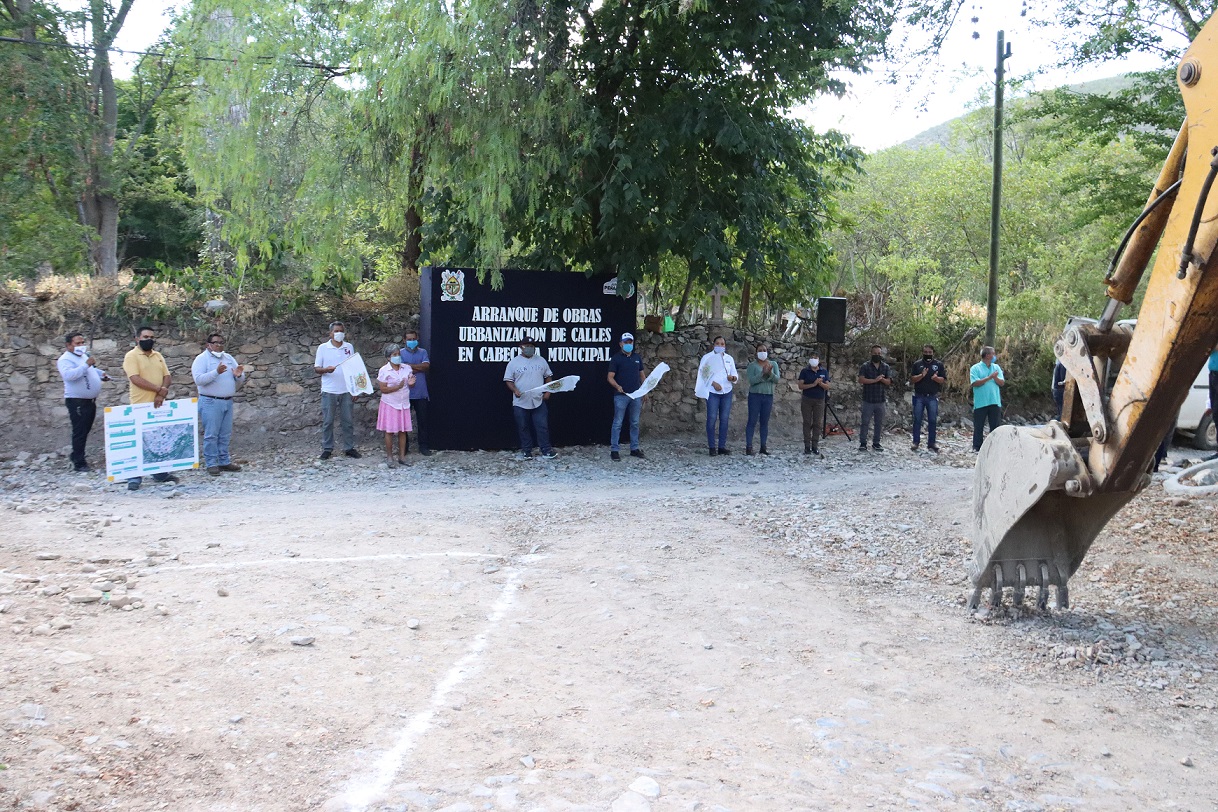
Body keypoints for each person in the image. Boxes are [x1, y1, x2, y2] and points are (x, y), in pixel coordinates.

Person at [122, 326, 179, 490]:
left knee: (158, 440)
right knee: (139, 442)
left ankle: (160, 474)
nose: (149, 339)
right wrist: (158, 390)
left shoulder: (158, 355)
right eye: (145, 336)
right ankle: (134, 477)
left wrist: (162, 394)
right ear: (137, 339)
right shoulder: (131, 356)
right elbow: (135, 378)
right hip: (140, 405)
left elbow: (167, 376)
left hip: (158, 405)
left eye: (152, 337)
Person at [191, 333, 247, 476]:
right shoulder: (202, 359)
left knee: (225, 434)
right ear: (208, 345)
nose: (219, 345)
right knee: (211, 434)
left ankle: (224, 461)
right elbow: (199, 380)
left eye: (221, 342)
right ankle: (211, 463)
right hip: (210, 400)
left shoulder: (228, 358)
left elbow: (240, 377)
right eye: (215, 342)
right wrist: (216, 372)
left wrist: (239, 375)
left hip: (227, 400)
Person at [57, 331, 110, 472]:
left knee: (85, 430)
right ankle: (79, 463)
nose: (81, 346)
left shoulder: (82, 357)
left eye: (82, 342)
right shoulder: (65, 360)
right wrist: (86, 365)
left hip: (89, 401)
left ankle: (76, 455)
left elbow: (91, 370)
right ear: (68, 345)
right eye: (77, 343)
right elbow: (69, 375)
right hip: (77, 401)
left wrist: (101, 375)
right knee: (79, 431)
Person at [314, 321, 361, 460]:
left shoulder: (349, 347)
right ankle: (327, 448)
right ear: (330, 333)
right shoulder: (323, 348)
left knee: (348, 421)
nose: (339, 333)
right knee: (328, 421)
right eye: (336, 331)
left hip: (346, 390)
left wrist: (355, 390)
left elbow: (353, 368)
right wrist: (326, 369)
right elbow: (317, 369)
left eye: (341, 330)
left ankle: (349, 447)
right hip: (329, 390)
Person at [503, 338, 557, 459]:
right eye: (527, 345)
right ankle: (526, 450)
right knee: (523, 426)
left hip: (538, 400)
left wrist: (548, 391)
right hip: (521, 401)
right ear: (521, 347)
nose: (529, 348)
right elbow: (508, 380)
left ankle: (546, 450)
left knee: (542, 426)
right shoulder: (514, 363)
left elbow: (548, 376)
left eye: (532, 346)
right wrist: (515, 390)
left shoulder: (541, 360)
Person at [695, 336, 739, 456]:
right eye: (718, 343)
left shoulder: (729, 358)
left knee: (724, 419)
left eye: (722, 344)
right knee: (712, 418)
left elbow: (735, 374)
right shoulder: (707, 358)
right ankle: (711, 447)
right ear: (713, 345)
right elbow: (702, 374)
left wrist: (733, 378)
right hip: (712, 392)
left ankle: (722, 446)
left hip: (727, 392)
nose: (720, 346)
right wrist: (713, 383)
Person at [607, 332, 646, 461]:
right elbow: (610, 377)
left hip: (636, 395)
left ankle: (634, 448)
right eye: (626, 342)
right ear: (620, 344)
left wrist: (645, 391)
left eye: (630, 342)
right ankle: (614, 450)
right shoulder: (616, 358)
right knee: (617, 423)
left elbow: (642, 375)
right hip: (621, 395)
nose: (628, 345)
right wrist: (617, 386)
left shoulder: (637, 358)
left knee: (635, 422)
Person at [377, 344, 415, 467]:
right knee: (390, 431)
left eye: (398, 354)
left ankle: (402, 457)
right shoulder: (384, 370)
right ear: (388, 358)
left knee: (402, 430)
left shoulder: (407, 368)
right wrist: (397, 387)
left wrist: (411, 383)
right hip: (390, 403)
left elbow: (410, 383)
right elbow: (383, 389)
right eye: (394, 355)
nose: (397, 357)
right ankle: (389, 457)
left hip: (403, 403)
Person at [399, 329, 433, 456]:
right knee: (404, 422)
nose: (412, 341)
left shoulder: (423, 352)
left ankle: (423, 446)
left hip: (421, 392)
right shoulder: (400, 353)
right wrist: (416, 367)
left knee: (423, 421)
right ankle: (405, 447)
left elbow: (426, 366)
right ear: (404, 340)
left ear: (417, 339)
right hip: (405, 393)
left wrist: (408, 366)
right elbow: (400, 369)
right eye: (409, 339)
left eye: (414, 339)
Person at [745, 342, 780, 455]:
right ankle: (749, 446)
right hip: (755, 396)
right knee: (752, 420)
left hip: (768, 396)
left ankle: (763, 447)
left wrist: (769, 374)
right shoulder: (752, 366)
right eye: (760, 350)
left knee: (764, 422)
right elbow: (752, 381)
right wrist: (762, 375)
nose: (762, 352)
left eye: (764, 350)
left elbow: (776, 379)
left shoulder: (773, 364)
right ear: (756, 353)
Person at [910, 344, 945, 453]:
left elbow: (943, 379)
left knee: (933, 420)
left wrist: (936, 378)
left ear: (933, 353)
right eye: (925, 352)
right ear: (923, 352)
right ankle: (915, 442)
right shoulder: (917, 364)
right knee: (917, 420)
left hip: (932, 397)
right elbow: (912, 379)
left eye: (930, 352)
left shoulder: (938, 364)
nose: (928, 354)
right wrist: (922, 375)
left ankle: (932, 443)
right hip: (919, 396)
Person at [970, 345, 1006, 451]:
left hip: (994, 401)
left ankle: (994, 447)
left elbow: (1002, 382)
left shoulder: (996, 367)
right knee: (978, 426)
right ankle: (977, 447)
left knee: (995, 426)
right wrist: (989, 377)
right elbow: (975, 383)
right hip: (981, 402)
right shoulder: (975, 368)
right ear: (987, 355)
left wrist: (995, 378)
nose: (994, 356)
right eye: (993, 353)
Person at [857, 344, 892, 451]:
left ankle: (876, 443)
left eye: (879, 353)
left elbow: (889, 382)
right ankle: (863, 443)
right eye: (875, 353)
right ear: (871, 354)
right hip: (868, 399)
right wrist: (875, 380)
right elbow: (861, 380)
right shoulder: (865, 366)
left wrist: (881, 380)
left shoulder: (885, 367)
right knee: (865, 422)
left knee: (879, 423)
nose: (877, 355)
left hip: (880, 399)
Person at [797, 354, 830, 455]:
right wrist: (813, 384)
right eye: (812, 358)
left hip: (819, 400)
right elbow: (800, 386)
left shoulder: (824, 371)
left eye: (815, 358)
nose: (813, 360)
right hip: (807, 399)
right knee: (807, 422)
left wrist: (820, 384)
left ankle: (815, 445)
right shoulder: (804, 371)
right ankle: (807, 446)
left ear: (819, 360)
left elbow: (827, 386)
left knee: (817, 423)